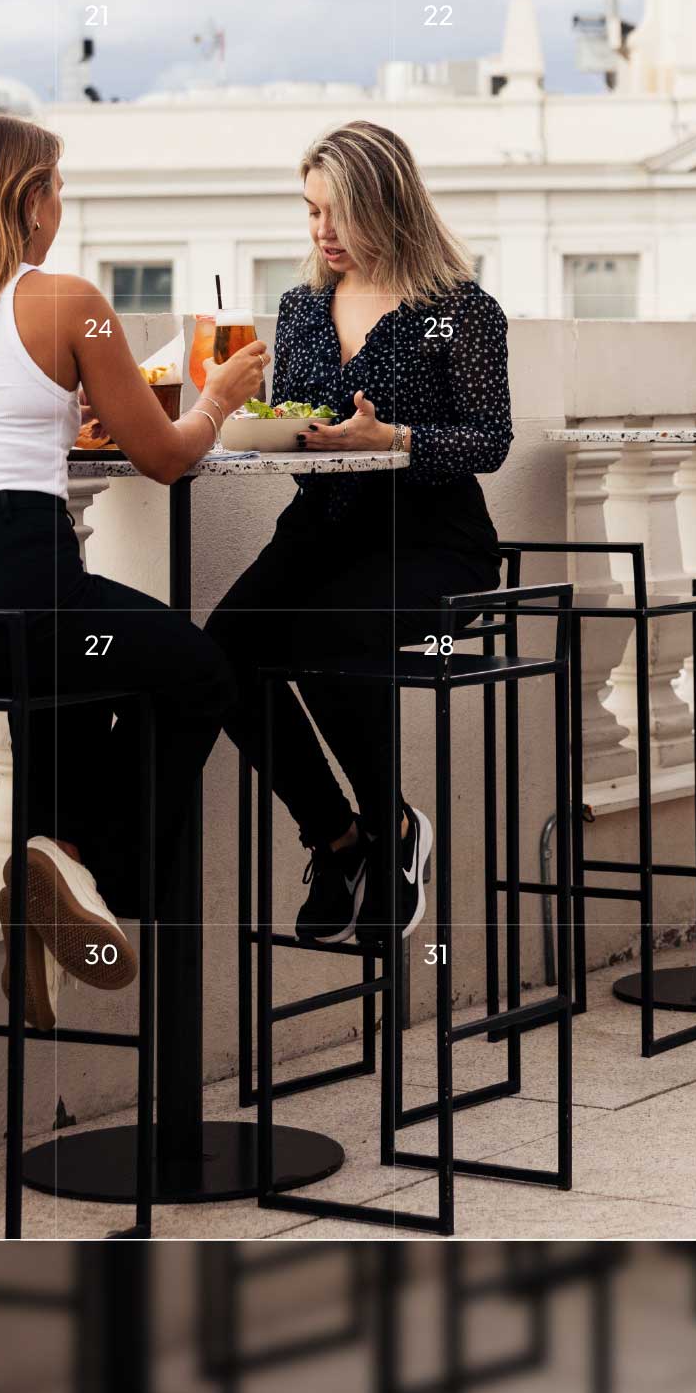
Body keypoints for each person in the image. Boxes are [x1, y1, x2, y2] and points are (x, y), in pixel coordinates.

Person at [0, 113, 268, 1029]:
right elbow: (166, 458)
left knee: (73, 686)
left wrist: (57, 411)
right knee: (200, 672)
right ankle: (80, 871)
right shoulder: (67, 301)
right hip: (19, 600)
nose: (60, 208)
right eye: (56, 189)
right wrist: (218, 398)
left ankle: (49, 890)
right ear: (28, 199)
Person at [205, 121, 512, 950]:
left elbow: (490, 439)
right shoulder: (301, 308)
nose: (323, 231)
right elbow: (294, 417)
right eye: (312, 212)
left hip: (432, 540)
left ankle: (395, 829)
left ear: (388, 205)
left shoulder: (457, 311)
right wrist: (270, 426)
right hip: (321, 530)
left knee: (328, 636)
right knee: (222, 652)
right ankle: (338, 839)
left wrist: (397, 440)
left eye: (339, 213)